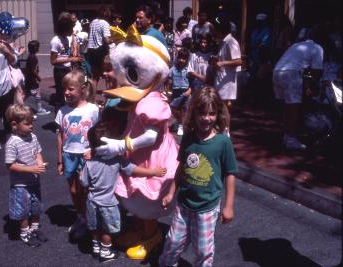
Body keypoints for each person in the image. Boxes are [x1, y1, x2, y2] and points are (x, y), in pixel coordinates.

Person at [159, 87, 238, 267]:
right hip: (184, 204)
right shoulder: (188, 138)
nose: (206, 118)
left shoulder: (222, 142)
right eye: (201, 113)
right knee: (173, 242)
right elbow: (181, 168)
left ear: (218, 114)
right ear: (193, 113)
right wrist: (171, 192)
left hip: (207, 208)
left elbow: (230, 174)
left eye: (211, 113)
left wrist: (229, 206)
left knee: (203, 250)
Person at [81, 118, 167, 262]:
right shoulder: (118, 161)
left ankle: (96, 247)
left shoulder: (89, 164)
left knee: (95, 227)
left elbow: (84, 182)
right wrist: (153, 172)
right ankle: (106, 251)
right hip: (108, 203)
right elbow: (134, 170)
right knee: (107, 230)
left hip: (91, 202)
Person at [55, 70, 99, 236]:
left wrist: (94, 151)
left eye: (71, 89)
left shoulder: (93, 109)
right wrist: (59, 160)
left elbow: (98, 134)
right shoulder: (62, 111)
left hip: (86, 156)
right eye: (64, 88)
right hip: (68, 155)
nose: (66, 92)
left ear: (82, 89)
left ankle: (91, 219)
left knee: (86, 190)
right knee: (74, 191)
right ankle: (81, 217)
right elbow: (60, 136)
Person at [273, 25, 324, 150]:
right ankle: (291, 139)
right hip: (291, 74)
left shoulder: (296, 45)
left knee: (285, 107)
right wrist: (312, 88)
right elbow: (317, 71)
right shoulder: (317, 47)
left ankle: (286, 136)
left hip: (277, 71)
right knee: (293, 107)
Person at [5, 104, 48, 247]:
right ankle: (25, 232)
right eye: (27, 123)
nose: (31, 126)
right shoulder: (12, 143)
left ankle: (34, 228)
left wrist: (40, 163)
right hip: (20, 184)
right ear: (14, 124)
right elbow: (10, 165)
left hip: (34, 181)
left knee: (35, 206)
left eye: (32, 122)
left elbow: (37, 152)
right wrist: (31, 169)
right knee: (23, 209)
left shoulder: (33, 137)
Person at [50, 12, 83, 112]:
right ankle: (58, 121)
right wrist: (70, 59)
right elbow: (53, 60)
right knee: (60, 95)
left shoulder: (65, 39)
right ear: (65, 29)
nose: (72, 30)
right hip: (60, 72)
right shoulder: (55, 41)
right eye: (71, 28)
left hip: (67, 69)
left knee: (68, 94)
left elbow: (64, 55)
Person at [212, 14, 242, 107]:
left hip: (227, 84)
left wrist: (222, 63)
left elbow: (239, 61)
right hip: (219, 81)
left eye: (215, 29)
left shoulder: (231, 42)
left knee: (224, 110)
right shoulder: (223, 42)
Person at [86, 6, 112, 92]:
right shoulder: (105, 23)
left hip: (91, 51)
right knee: (107, 75)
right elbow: (106, 40)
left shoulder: (93, 22)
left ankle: (91, 97)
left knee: (94, 77)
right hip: (100, 51)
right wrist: (115, 39)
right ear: (105, 13)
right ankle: (109, 97)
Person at [169, 48, 191, 136]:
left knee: (184, 109)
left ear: (187, 60)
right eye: (180, 58)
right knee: (173, 107)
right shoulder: (173, 69)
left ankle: (181, 125)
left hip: (186, 92)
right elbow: (169, 80)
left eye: (184, 58)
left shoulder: (188, 70)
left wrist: (189, 90)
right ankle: (179, 121)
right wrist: (168, 90)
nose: (181, 60)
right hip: (176, 92)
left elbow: (192, 82)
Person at [25, 40, 50, 116]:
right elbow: (33, 70)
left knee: (28, 93)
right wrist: (38, 77)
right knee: (34, 93)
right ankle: (39, 109)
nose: (39, 48)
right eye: (38, 46)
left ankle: (19, 105)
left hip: (30, 78)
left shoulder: (31, 56)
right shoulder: (33, 57)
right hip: (32, 78)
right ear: (35, 48)